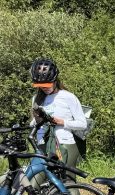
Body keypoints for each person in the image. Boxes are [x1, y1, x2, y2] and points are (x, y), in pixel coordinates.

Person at [29, 58, 87, 188]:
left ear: (55, 80)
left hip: (65, 145)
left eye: (47, 84)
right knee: (33, 186)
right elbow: (33, 125)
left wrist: (61, 122)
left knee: (68, 184)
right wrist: (37, 120)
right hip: (42, 146)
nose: (44, 88)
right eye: (41, 85)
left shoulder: (68, 97)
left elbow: (82, 124)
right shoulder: (36, 99)